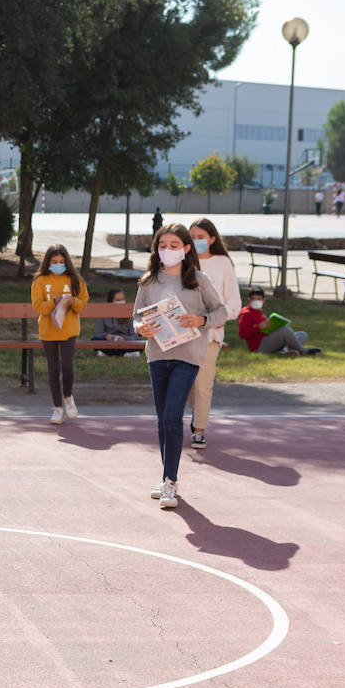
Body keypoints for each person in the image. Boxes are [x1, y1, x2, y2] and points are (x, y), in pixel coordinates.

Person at [133, 223, 228, 509]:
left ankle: (170, 482)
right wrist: (141, 329)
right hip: (158, 355)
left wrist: (200, 321)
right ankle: (165, 478)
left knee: (173, 415)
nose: (168, 250)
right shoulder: (149, 281)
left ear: (186, 249)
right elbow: (136, 317)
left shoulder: (199, 280)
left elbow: (221, 311)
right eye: (163, 245)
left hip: (188, 355)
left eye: (174, 245)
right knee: (163, 418)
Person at [184, 218, 242, 450]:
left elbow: (234, 303)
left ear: (212, 239)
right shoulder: (183, 263)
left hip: (210, 335)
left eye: (201, 237)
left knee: (204, 384)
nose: (197, 241)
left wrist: (212, 320)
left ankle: (199, 429)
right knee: (186, 384)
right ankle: (195, 410)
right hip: (183, 335)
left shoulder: (223, 263)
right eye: (192, 237)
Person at [32, 245, 89, 424]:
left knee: (67, 367)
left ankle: (68, 397)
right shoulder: (40, 281)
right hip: (48, 331)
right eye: (54, 262)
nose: (58, 265)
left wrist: (73, 301)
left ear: (67, 262)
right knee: (53, 369)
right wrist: (53, 302)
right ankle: (57, 408)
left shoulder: (75, 279)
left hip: (69, 330)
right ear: (48, 262)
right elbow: (38, 306)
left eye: (62, 262)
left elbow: (83, 303)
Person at [237, 288, 322, 356]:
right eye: (254, 299)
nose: (256, 301)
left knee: (302, 334)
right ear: (249, 299)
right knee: (285, 330)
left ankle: (284, 351)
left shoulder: (259, 312)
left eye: (259, 299)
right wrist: (258, 327)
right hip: (259, 346)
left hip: (269, 340)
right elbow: (243, 334)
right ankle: (304, 352)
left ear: (264, 300)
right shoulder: (246, 313)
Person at [92, 288, 139, 357]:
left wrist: (124, 338)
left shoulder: (129, 313)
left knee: (138, 344)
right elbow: (97, 334)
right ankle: (126, 354)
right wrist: (106, 336)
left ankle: (107, 353)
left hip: (125, 343)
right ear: (111, 301)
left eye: (122, 299)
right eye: (118, 300)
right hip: (109, 342)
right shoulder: (104, 313)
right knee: (95, 340)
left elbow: (134, 336)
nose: (121, 302)